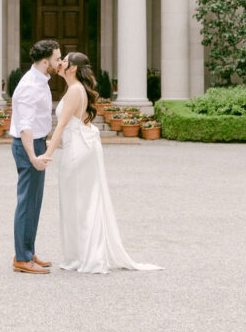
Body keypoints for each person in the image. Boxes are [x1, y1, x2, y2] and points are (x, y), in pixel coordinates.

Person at [44, 52, 162, 274]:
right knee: (80, 202)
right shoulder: (76, 89)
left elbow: (61, 126)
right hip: (80, 148)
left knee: (79, 203)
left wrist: (47, 154)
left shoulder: (75, 91)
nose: (60, 63)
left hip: (77, 152)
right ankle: (80, 255)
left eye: (64, 61)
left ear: (72, 69)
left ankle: (88, 257)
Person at [9, 38, 61, 274]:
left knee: (34, 203)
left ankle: (27, 251)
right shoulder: (31, 85)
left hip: (37, 143)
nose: (59, 63)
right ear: (44, 61)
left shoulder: (40, 80)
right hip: (27, 146)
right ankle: (22, 258)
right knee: (27, 203)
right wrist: (33, 156)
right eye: (57, 59)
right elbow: (25, 125)